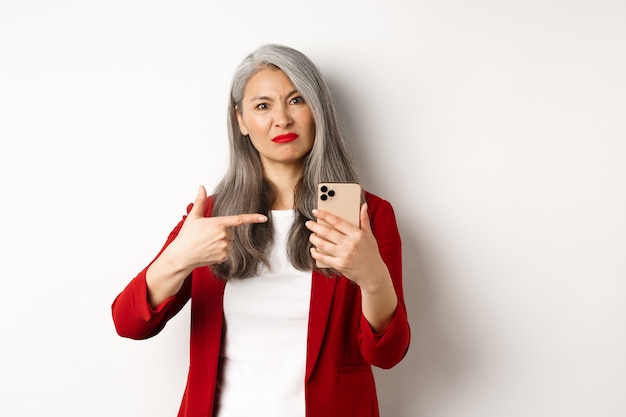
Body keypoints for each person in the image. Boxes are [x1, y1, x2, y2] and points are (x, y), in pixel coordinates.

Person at [112, 44, 410, 417]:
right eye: (263, 106)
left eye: (297, 100)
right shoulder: (210, 218)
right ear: (240, 120)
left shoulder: (366, 215)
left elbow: (386, 354)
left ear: (318, 110)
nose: (282, 119)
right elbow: (129, 324)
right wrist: (179, 258)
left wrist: (373, 278)